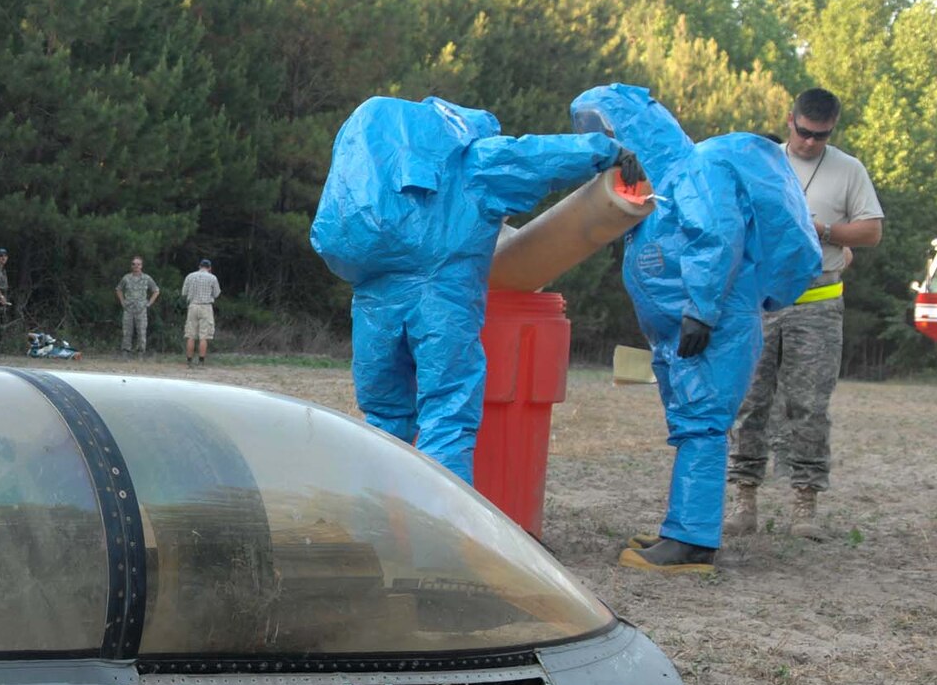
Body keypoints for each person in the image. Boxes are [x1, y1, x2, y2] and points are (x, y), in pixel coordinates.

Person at [568, 85, 820, 574]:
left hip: (714, 324)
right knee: (691, 424)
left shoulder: (695, 172)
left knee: (702, 423)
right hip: (687, 328)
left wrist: (701, 311)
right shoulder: (667, 180)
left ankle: (691, 542)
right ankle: (683, 527)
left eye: (616, 136)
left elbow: (715, 237)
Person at [310, 96, 623, 484]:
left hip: (374, 303)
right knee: (447, 416)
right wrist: (609, 149)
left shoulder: (378, 162)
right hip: (442, 301)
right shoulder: (472, 161)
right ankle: (440, 530)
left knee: (384, 417)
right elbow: (538, 156)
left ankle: (377, 516)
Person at [725, 89, 884, 541]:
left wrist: (827, 231)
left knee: (809, 407)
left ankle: (804, 505)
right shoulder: (759, 159)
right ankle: (744, 501)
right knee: (749, 402)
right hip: (758, 302)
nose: (811, 142)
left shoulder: (848, 170)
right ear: (789, 119)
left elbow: (871, 230)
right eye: (804, 132)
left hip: (817, 304)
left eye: (822, 135)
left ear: (832, 129)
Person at [117, 256, 160, 354]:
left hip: (141, 309)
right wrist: (122, 302)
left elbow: (156, 291)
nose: (136, 266)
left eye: (138, 264)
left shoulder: (147, 278)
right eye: (134, 264)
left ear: (141, 266)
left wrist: (149, 303)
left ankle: (141, 351)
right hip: (128, 309)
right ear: (131, 266)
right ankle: (126, 351)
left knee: (141, 331)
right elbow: (118, 289)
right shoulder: (126, 278)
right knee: (127, 331)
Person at [180, 259, 219, 365]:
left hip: (192, 306)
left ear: (199, 266)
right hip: (206, 307)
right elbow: (216, 294)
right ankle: (201, 361)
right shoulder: (213, 278)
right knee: (204, 336)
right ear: (209, 268)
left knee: (190, 335)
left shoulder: (190, 276)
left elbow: (184, 292)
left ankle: (189, 360)